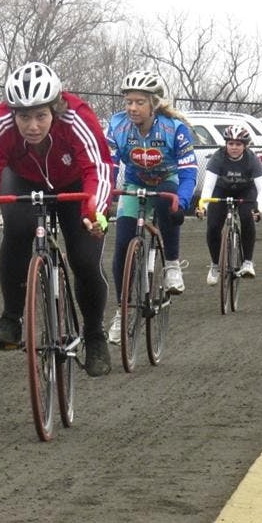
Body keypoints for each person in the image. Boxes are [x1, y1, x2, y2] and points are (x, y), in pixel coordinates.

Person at [0, 62, 114, 377]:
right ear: (12, 114)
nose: (32, 126)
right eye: (24, 117)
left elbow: (97, 168)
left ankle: (95, 335)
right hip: (23, 181)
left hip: (74, 186)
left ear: (55, 111)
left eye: (41, 116)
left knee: (84, 259)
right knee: (17, 229)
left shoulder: (76, 116)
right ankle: (11, 317)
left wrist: (93, 211)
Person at [106, 69, 198, 345]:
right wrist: (105, 193)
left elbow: (189, 171)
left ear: (153, 104)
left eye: (139, 102)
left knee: (167, 203)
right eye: (128, 101)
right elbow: (108, 164)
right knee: (122, 244)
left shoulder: (175, 129)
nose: (132, 108)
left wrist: (180, 203)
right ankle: (122, 310)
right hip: (134, 184)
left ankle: (171, 265)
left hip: (167, 180)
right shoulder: (117, 125)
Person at [195, 124, 262, 284]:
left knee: (247, 218)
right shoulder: (218, 157)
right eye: (230, 144)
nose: (234, 147)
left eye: (238, 144)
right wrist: (203, 207)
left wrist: (258, 209)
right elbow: (208, 186)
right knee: (213, 226)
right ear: (226, 144)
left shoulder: (252, 159)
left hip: (245, 191)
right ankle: (215, 264)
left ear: (245, 146)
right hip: (221, 190)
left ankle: (248, 262)